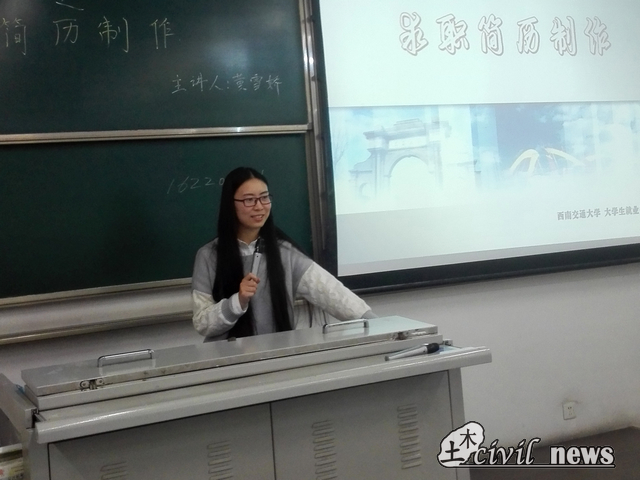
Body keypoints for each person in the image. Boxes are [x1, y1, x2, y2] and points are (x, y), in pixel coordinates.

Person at [192, 166, 375, 341]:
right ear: (230, 205)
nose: (259, 206)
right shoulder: (208, 256)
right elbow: (202, 322)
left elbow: (330, 291)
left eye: (264, 197)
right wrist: (236, 302)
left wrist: (374, 322)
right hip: (228, 358)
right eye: (249, 200)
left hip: (277, 354)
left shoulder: (285, 252)